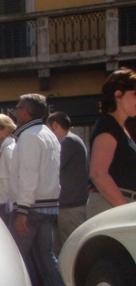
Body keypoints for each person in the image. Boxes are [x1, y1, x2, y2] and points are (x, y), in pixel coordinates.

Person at [9, 93, 73, 286]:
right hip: (48, 205)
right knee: (47, 259)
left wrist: (22, 209)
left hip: (31, 207)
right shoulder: (49, 134)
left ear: (26, 111)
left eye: (18, 108)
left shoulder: (29, 136)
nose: (15, 112)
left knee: (17, 259)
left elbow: (29, 174)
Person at [87, 68, 136, 218]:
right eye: (135, 94)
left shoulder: (120, 128)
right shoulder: (108, 125)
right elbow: (98, 173)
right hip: (111, 206)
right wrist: (126, 211)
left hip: (117, 205)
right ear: (118, 95)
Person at [46, 111, 89, 253]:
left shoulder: (68, 141)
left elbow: (52, 166)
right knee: (61, 250)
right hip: (67, 205)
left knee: (72, 249)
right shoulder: (72, 141)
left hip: (70, 206)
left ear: (55, 125)